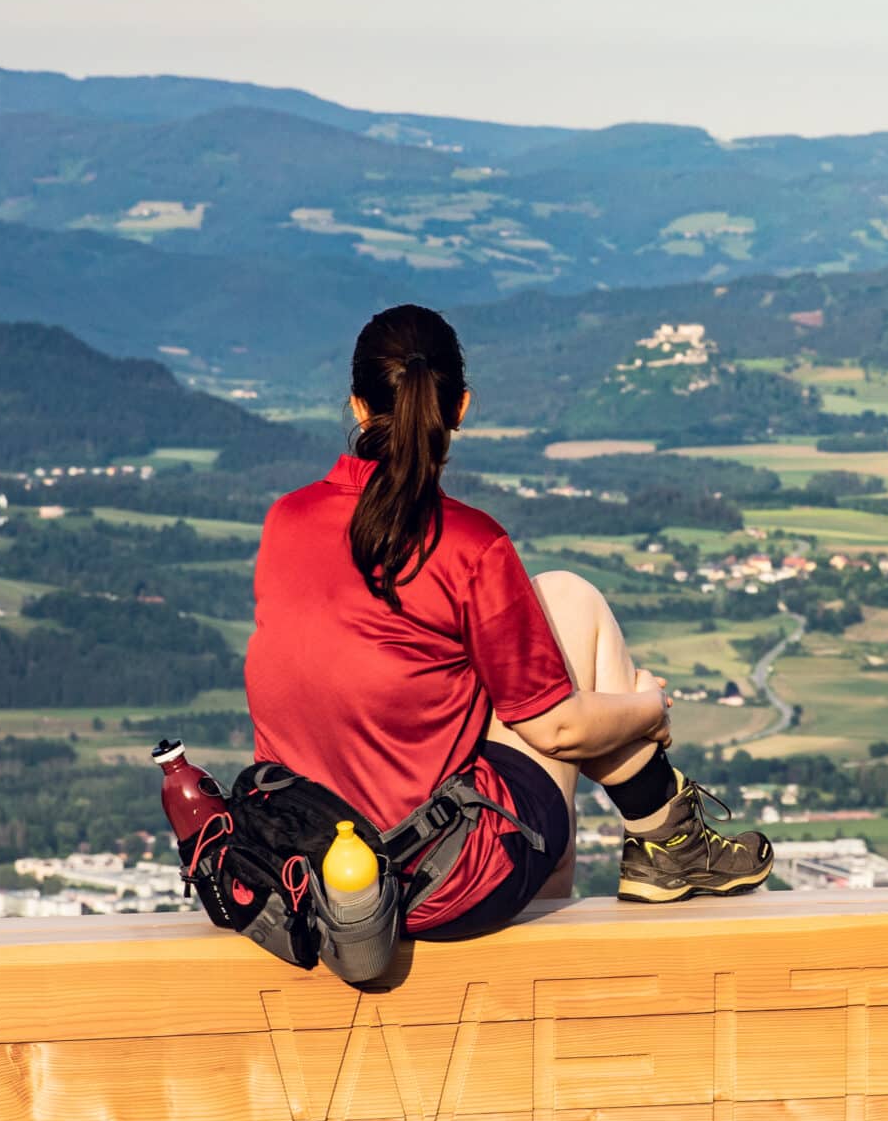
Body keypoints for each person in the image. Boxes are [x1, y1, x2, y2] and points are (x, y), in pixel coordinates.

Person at [245, 303, 774, 935]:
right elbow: (560, 731)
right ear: (460, 407)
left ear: (358, 407)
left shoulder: (287, 520)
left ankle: (667, 841)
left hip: (301, 870)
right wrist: (648, 709)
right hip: (435, 886)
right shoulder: (469, 544)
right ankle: (669, 841)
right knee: (569, 602)